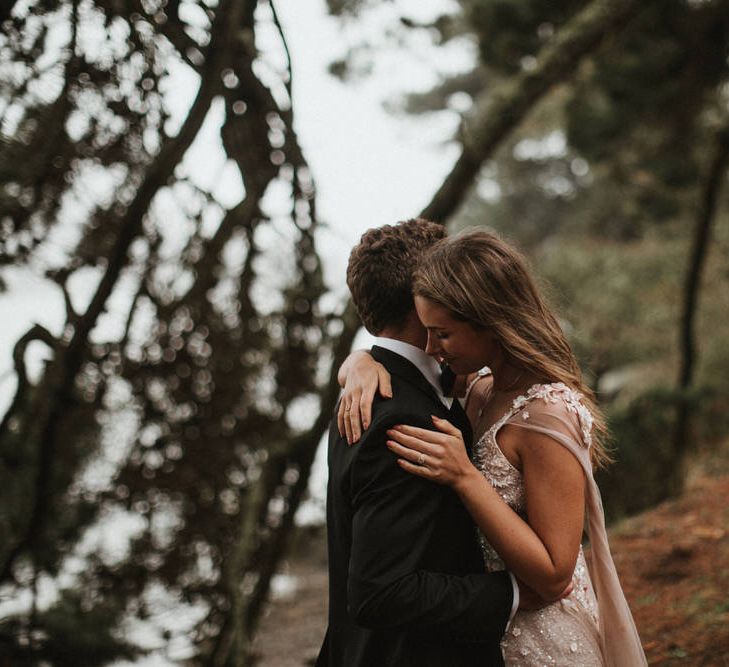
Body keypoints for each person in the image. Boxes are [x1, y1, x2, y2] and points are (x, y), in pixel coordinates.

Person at [338, 228, 647, 666]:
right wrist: (360, 362)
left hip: (544, 639)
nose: (430, 348)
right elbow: (406, 362)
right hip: (487, 635)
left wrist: (465, 476)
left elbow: (556, 573)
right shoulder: (478, 389)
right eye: (426, 332)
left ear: (491, 320)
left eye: (441, 334)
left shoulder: (545, 414)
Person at [316, 220, 551, 667]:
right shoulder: (398, 415)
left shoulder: (383, 386)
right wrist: (516, 591)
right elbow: (380, 591)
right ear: (423, 300)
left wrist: (357, 360)